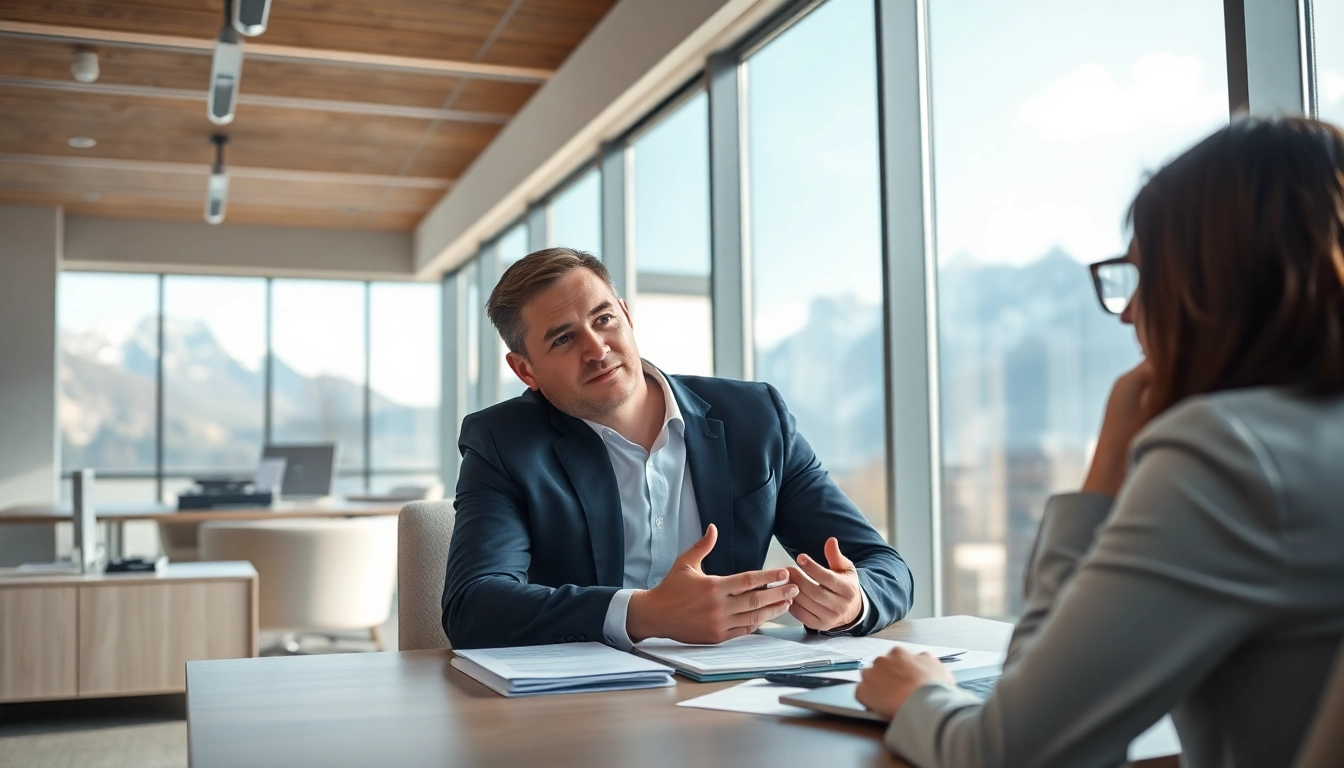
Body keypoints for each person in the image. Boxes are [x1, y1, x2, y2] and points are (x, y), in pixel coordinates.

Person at [855, 116, 1344, 767]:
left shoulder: (1230, 456)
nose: (1130, 313)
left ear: (1214, 283)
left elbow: (1010, 753)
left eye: (1147, 278)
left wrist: (922, 696)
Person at [442, 247, 914, 649]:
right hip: (579, 712)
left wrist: (851, 601)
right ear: (526, 371)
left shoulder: (755, 417)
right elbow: (474, 605)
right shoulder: (503, 441)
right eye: (563, 339)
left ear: (626, 316)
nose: (597, 348)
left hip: (730, 700)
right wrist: (644, 614)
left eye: (603, 319)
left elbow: (885, 568)